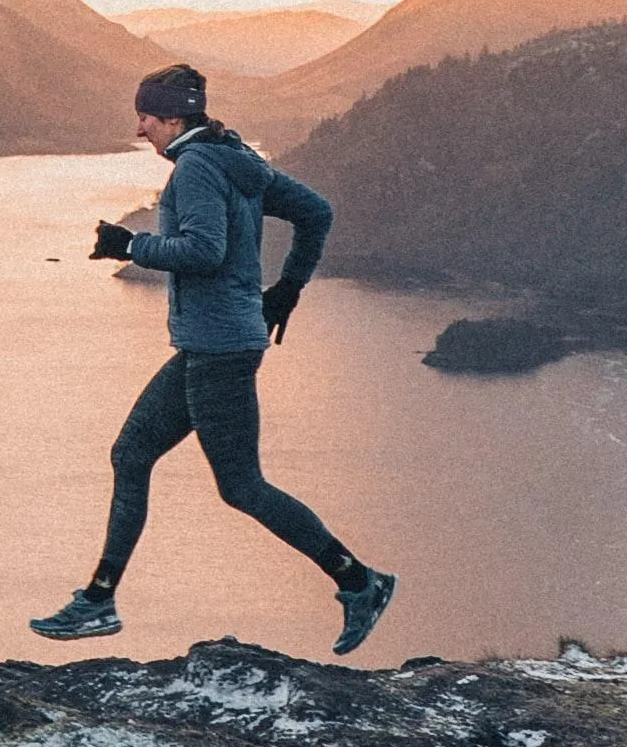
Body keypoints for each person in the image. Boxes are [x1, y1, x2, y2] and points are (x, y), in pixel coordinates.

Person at [31, 60, 397, 656]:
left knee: (242, 486)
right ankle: (99, 600)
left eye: (145, 117)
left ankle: (361, 582)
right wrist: (285, 290)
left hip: (219, 348)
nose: (140, 129)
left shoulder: (197, 166)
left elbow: (203, 251)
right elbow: (317, 212)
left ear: (173, 116)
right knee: (132, 452)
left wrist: (130, 245)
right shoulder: (235, 155)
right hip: (217, 341)